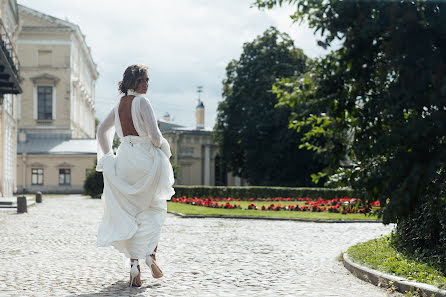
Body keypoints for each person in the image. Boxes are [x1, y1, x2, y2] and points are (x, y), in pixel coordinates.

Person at [96, 64, 175, 287]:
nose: (146, 84)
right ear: (133, 82)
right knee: (155, 208)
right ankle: (150, 255)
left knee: (131, 211)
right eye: (143, 80)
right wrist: (162, 147)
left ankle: (134, 266)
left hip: (124, 159)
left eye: (147, 80)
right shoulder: (143, 101)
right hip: (145, 158)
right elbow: (155, 134)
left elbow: (102, 131)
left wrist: (108, 156)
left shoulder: (118, 104)